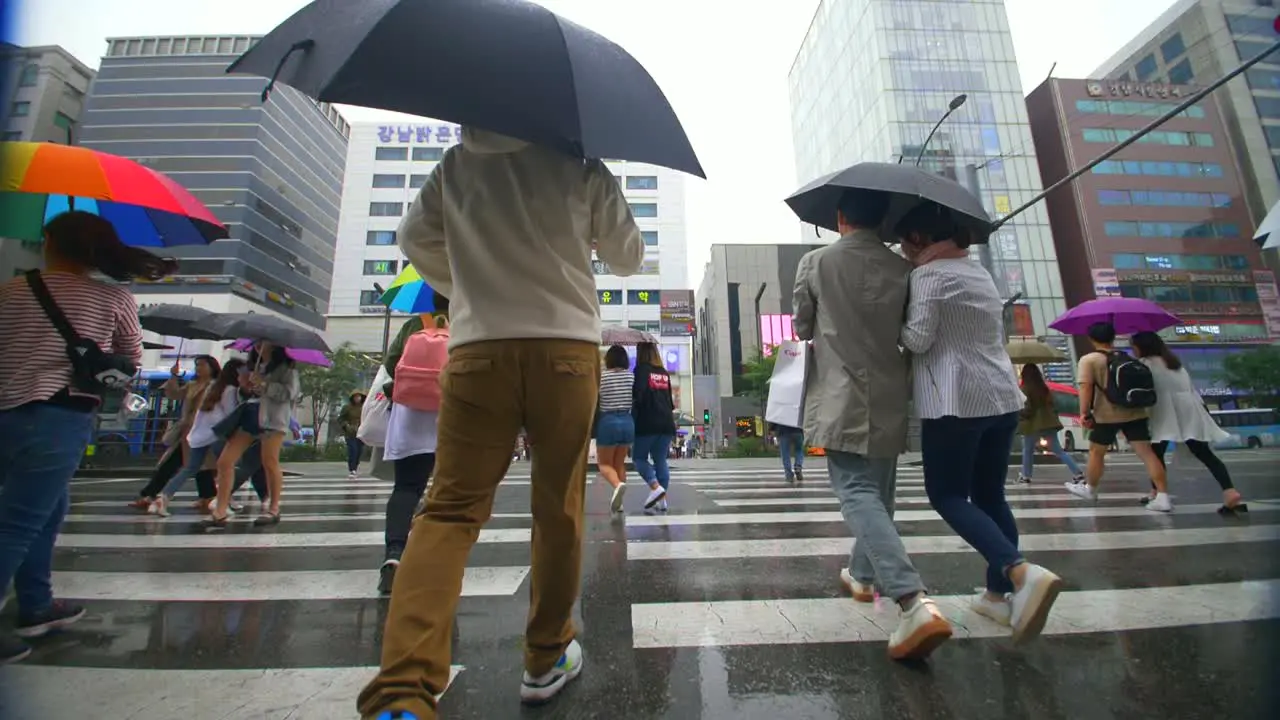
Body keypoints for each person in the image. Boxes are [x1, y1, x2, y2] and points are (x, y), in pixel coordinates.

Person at [357, 125, 643, 720]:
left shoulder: (454, 166)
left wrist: (464, 285)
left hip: (477, 349)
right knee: (557, 508)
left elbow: (414, 237)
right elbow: (629, 256)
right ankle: (545, 657)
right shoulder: (579, 165)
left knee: (449, 508)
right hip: (564, 350)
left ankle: (404, 688)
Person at [0, 211, 175, 664]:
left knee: (48, 506)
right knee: (19, 521)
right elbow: (131, 359)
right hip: (60, 412)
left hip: (6, 407)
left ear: (48, 242)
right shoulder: (112, 298)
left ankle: (37, 602)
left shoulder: (11, 291)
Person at [792, 189, 951, 661]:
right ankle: (862, 575)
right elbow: (911, 329)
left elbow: (802, 328)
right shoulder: (905, 270)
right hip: (888, 393)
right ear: (883, 222)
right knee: (879, 494)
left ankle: (910, 598)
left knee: (856, 493)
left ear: (841, 216)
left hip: (840, 392)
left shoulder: (816, 263)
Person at [898, 202, 1063, 644]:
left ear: (917, 238)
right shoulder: (978, 273)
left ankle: (1020, 571)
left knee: (947, 494)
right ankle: (996, 595)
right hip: (1002, 396)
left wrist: (890, 321)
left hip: (955, 399)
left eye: (902, 240)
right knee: (990, 496)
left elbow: (917, 339)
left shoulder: (928, 276)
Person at [379, 295, 450, 595]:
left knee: (406, 487)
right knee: (450, 489)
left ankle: (394, 554)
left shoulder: (414, 324)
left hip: (410, 412)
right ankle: (436, 559)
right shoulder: (466, 324)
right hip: (450, 411)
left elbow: (391, 363)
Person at [1130, 331, 1245, 513]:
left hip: (1164, 412)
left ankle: (1158, 493)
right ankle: (1230, 491)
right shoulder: (1175, 364)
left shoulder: (1144, 365)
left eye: (1133, 346)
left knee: (1155, 454)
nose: (1133, 350)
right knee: (1205, 453)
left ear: (1141, 347)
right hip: (1191, 410)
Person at [1064, 322, 1172, 512]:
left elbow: (1085, 387)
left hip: (1105, 415)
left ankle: (1091, 489)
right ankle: (1163, 496)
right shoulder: (1125, 357)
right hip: (1135, 412)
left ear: (1091, 339)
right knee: (1147, 454)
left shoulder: (1089, 360)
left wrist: (1084, 413)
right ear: (1112, 338)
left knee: (1097, 453)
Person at [205, 342, 299, 529]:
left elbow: (289, 393)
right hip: (249, 416)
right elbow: (247, 396)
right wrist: (245, 387)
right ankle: (221, 510)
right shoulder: (253, 367)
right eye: (256, 342)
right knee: (225, 461)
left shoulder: (286, 370)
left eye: (264, 342)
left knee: (269, 462)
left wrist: (264, 384)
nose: (258, 345)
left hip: (272, 419)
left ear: (274, 346)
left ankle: (273, 508)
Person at [147, 359, 246, 517]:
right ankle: (223, 501)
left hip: (199, 433)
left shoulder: (213, 387)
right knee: (228, 466)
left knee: (191, 468)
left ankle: (163, 499)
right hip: (216, 434)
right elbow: (230, 414)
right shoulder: (230, 390)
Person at [131, 355, 221, 511]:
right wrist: (174, 376)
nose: (198, 368)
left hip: (202, 431)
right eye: (197, 365)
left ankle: (153, 495)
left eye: (202, 365)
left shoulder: (215, 386)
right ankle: (206, 497)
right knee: (190, 465)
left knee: (189, 465)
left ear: (212, 367)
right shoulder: (192, 385)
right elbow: (174, 394)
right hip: (187, 431)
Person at [1016, 364, 1084, 485]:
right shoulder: (1044, 388)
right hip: (1049, 423)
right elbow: (1053, 405)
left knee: (1028, 450)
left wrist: (1020, 415)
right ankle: (1078, 473)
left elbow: (1028, 409)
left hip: (1033, 425)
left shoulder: (1025, 388)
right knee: (1059, 450)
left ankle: (1026, 476)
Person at [631, 342, 675, 512]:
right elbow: (670, 402)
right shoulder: (664, 373)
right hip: (666, 422)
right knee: (660, 460)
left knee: (639, 458)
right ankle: (662, 501)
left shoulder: (641, 370)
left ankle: (655, 487)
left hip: (647, 422)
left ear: (641, 353)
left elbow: (639, 397)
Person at [597, 345, 638, 513]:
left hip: (608, 421)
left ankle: (617, 485)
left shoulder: (602, 377)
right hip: (627, 422)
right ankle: (619, 503)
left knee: (604, 464)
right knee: (619, 463)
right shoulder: (631, 377)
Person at [341, 391, 367, 479]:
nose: (357, 398)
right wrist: (346, 425)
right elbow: (341, 419)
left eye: (359, 396)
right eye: (355, 397)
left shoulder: (364, 407)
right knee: (353, 450)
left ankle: (355, 467)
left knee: (359, 451)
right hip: (350, 433)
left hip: (361, 432)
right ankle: (352, 469)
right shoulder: (347, 408)